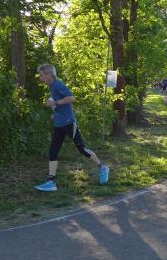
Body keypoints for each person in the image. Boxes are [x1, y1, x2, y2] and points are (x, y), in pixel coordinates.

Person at [34, 63, 110, 192]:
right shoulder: (52, 87)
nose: (41, 78)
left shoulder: (58, 85)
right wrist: (55, 114)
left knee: (82, 149)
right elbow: (60, 106)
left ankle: (102, 167)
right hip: (59, 125)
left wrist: (55, 103)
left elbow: (71, 98)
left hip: (69, 123)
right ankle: (51, 181)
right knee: (53, 152)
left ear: (49, 74)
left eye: (42, 75)